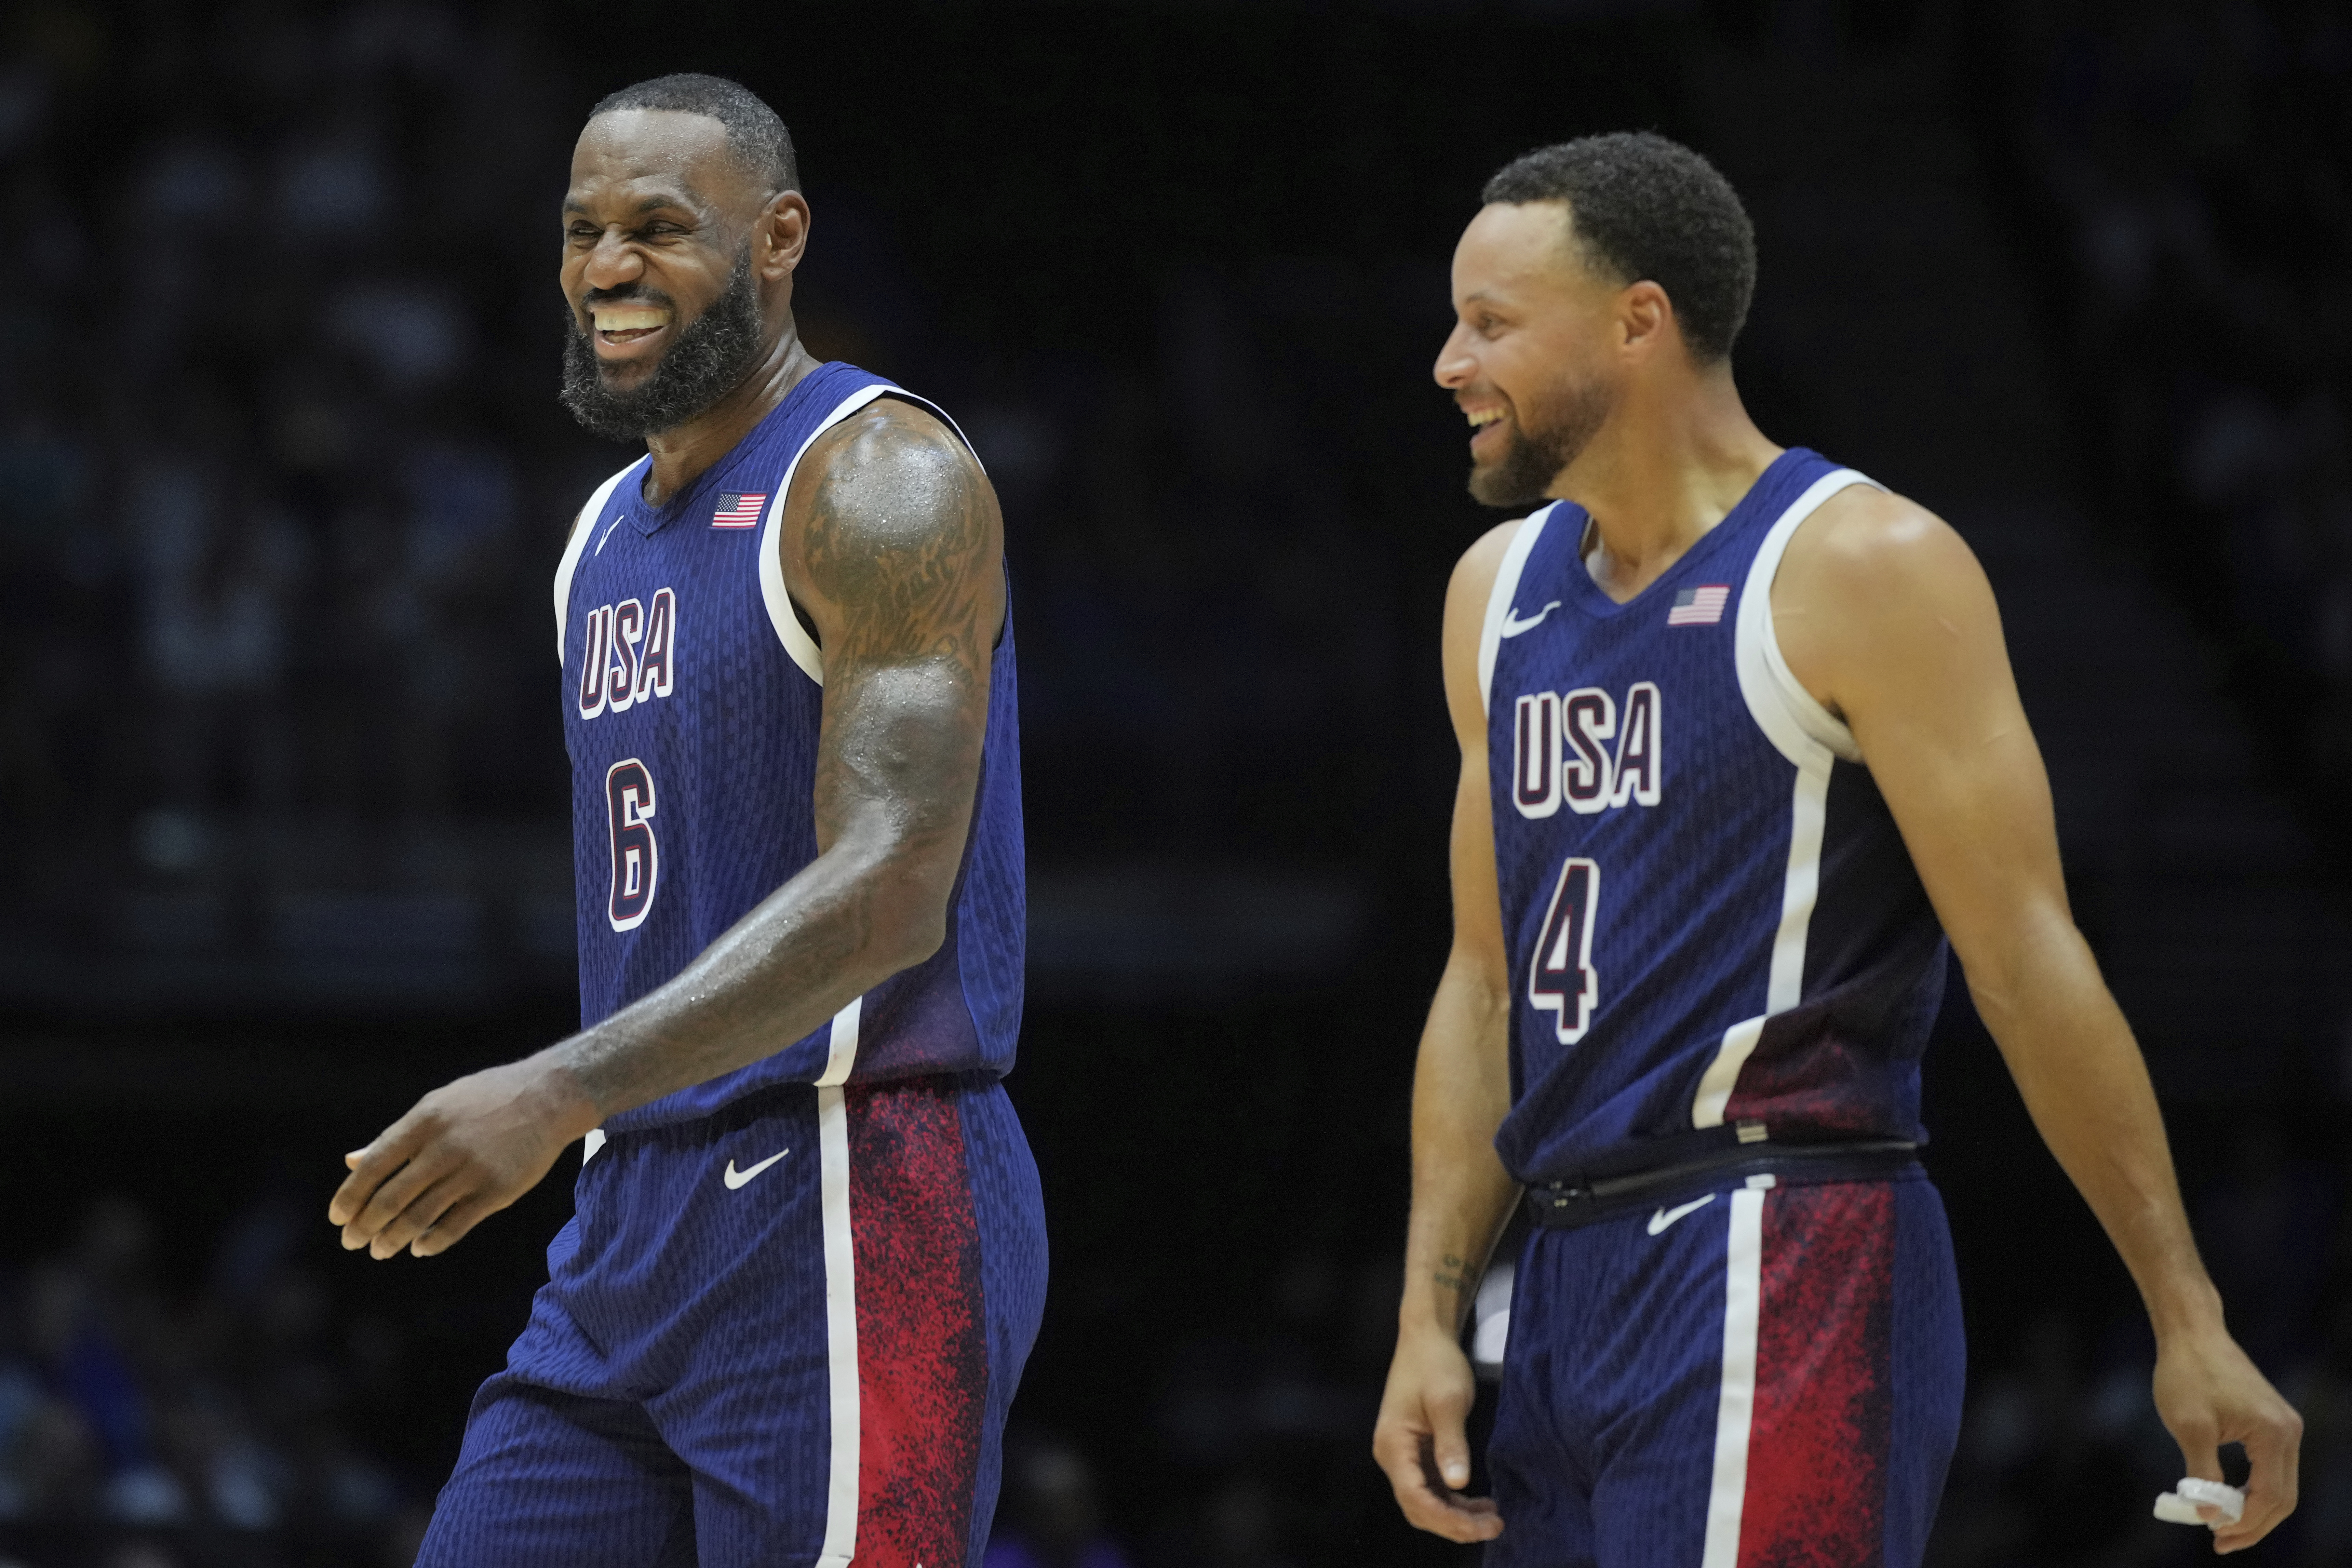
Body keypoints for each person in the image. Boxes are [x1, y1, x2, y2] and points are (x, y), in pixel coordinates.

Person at [1370, 132, 2301, 1565]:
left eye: (1490, 322)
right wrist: (1430, 1309)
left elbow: (2025, 959)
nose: (1446, 361)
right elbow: (1482, 986)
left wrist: (2184, 1314)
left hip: (1782, 1238)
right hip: (1559, 1271)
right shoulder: (1491, 596)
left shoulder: (1860, 565)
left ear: (1639, 323)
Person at [324, 73, 1044, 1568]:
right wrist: (587, 1112)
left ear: (778, 238)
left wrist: (550, 1089)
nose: (604, 268)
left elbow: (896, 881)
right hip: (630, 1215)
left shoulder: (880, 477)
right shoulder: (599, 532)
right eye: (583, 231)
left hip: (853, 1188)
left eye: (659, 227)